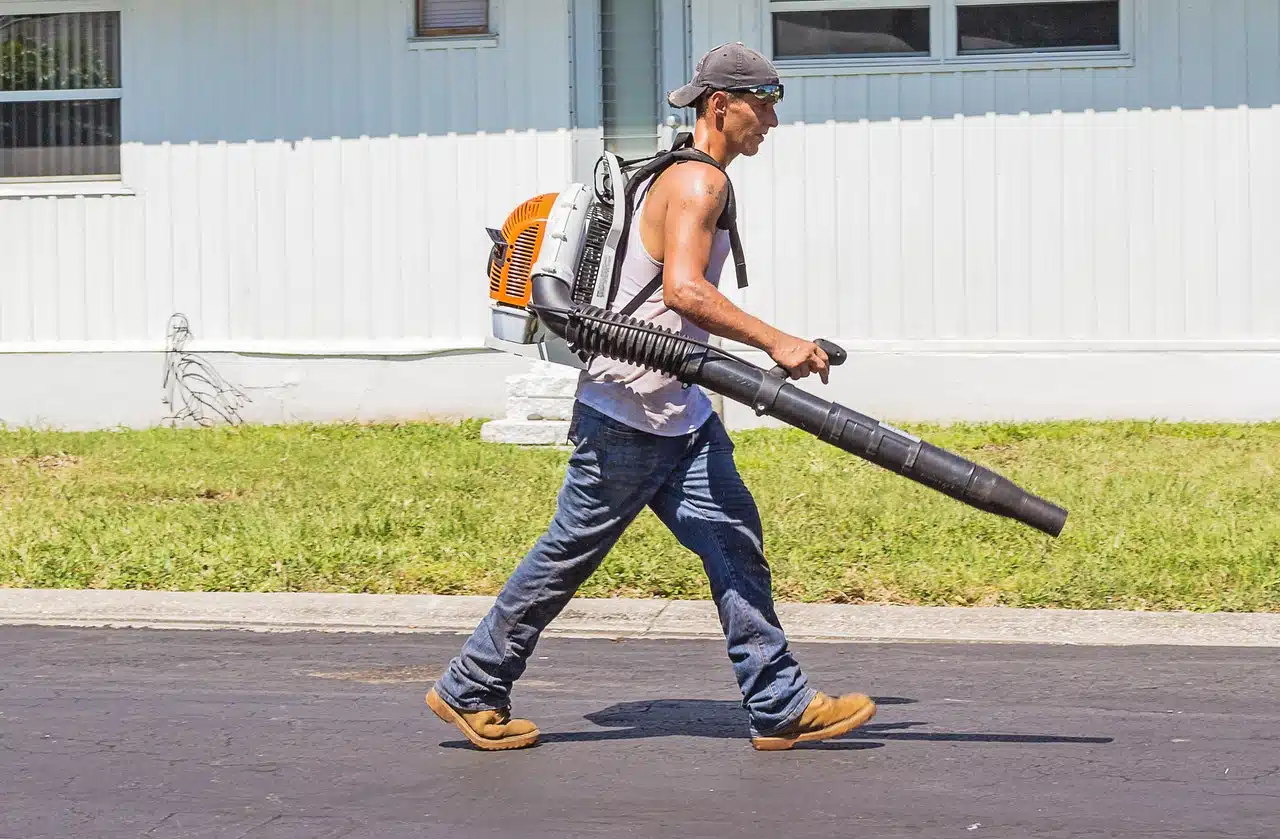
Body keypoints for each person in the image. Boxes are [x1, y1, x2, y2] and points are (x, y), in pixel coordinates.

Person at [426, 42, 875, 752]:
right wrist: (777, 342)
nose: (772, 123)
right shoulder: (700, 183)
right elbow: (684, 291)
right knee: (566, 555)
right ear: (720, 106)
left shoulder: (672, 173)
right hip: (629, 414)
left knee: (735, 540)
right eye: (764, 105)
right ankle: (473, 682)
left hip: (677, 411)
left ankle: (779, 701)